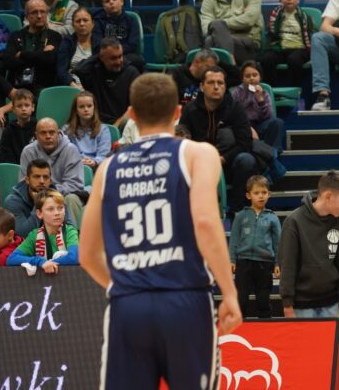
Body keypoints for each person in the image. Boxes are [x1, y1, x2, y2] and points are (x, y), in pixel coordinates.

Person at [80, 72, 242, 389]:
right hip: (185, 299)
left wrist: (129, 285)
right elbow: (206, 222)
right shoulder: (198, 153)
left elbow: (87, 254)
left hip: (128, 305)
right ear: (178, 111)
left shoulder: (107, 168)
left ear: (132, 114)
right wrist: (230, 293)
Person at [278, 171, 339, 389]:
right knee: (304, 360)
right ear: (328, 196)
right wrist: (288, 307)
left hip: (333, 303)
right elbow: (287, 267)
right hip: (301, 307)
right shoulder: (294, 222)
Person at [179, 65, 257, 216]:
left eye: (220, 83)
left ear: (225, 86)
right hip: (198, 164)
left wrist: (222, 158)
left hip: (228, 163)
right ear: (202, 87)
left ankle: (237, 212)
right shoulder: (190, 109)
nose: (216, 87)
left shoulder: (235, 108)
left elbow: (245, 143)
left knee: (246, 160)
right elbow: (183, 141)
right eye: (211, 82)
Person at [229, 175, 281, 319]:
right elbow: (234, 239)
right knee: (241, 299)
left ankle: (265, 326)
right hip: (243, 262)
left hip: (265, 263)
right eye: (256, 193)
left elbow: (278, 243)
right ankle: (240, 327)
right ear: (248, 195)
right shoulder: (240, 216)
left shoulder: (272, 218)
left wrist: (278, 263)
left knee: (263, 299)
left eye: (264, 192)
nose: (261, 196)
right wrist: (232, 259)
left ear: (269, 194)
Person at [0, 0, 62, 96]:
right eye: (34, 12)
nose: (39, 16)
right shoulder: (16, 35)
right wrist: (41, 54)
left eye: (42, 12)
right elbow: (8, 61)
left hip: (43, 87)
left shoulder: (54, 36)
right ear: (27, 16)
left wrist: (22, 54)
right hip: (17, 87)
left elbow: (50, 59)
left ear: (47, 14)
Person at [7, 188, 80, 273]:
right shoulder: (34, 235)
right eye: (50, 209)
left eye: (60, 208)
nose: (57, 213)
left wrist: (49, 263)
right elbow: (11, 259)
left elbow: (74, 258)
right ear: (39, 214)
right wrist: (40, 262)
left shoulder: (70, 231)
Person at [75, 37, 140, 125]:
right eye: (113, 58)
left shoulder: (131, 72)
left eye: (120, 56)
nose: (118, 62)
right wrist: (99, 55)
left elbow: (135, 107)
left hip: (124, 123)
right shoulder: (95, 72)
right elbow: (79, 69)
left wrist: (117, 125)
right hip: (99, 123)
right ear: (101, 58)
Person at [260, 0, 314, 87]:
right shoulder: (276, 15)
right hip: (280, 48)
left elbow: (309, 33)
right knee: (267, 59)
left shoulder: (304, 16)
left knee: (294, 60)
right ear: (280, 0)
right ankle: (271, 89)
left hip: (299, 48)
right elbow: (271, 32)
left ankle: (295, 88)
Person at [230, 60, 284, 151]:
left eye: (255, 75)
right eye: (247, 76)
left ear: (260, 77)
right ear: (242, 79)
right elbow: (233, 115)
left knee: (278, 122)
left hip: (260, 125)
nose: (251, 78)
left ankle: (274, 151)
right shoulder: (236, 93)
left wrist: (261, 100)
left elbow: (269, 116)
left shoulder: (264, 93)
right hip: (244, 126)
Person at [93, 0, 143, 68]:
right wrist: (111, 53)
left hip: (126, 56)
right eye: (107, 1)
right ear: (103, 5)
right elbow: (97, 45)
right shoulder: (98, 22)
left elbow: (132, 45)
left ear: (122, 1)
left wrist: (117, 53)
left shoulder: (131, 21)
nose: (111, 2)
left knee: (137, 61)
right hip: (105, 58)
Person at [63, 91, 111, 170]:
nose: (86, 109)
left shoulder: (103, 129)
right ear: (76, 110)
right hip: (74, 167)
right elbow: (66, 153)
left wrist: (94, 161)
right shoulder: (67, 129)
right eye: (81, 107)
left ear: (94, 108)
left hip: (96, 168)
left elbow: (104, 155)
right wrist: (79, 160)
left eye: (89, 106)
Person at [56, 6, 98, 87]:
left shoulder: (99, 43)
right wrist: (76, 87)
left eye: (85, 20)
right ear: (73, 25)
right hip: (71, 86)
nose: (82, 24)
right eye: (78, 21)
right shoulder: (66, 43)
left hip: (93, 87)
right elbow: (61, 71)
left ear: (93, 24)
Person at [0, 89, 36, 164]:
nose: (23, 109)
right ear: (13, 109)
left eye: (27, 105)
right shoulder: (8, 131)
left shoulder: (38, 128)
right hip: (15, 168)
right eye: (19, 106)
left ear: (33, 107)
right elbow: (6, 155)